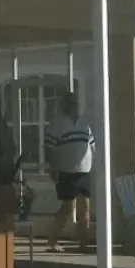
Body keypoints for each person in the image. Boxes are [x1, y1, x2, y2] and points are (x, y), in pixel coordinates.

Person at [46, 91, 95, 253]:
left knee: (85, 208)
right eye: (69, 103)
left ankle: (84, 243)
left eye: (74, 102)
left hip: (84, 171)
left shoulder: (84, 124)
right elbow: (49, 148)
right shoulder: (58, 125)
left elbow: (92, 145)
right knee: (67, 208)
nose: (73, 105)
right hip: (66, 171)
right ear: (64, 106)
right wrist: (53, 167)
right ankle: (52, 241)